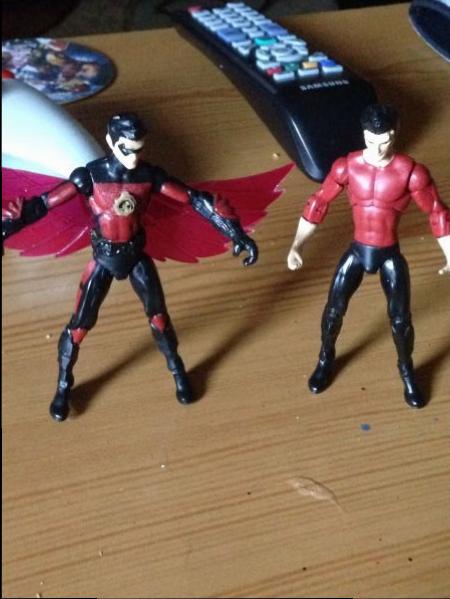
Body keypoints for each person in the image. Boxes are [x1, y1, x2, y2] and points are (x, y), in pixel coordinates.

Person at [2, 112, 258, 421]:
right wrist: (7, 227)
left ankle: (177, 370)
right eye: (126, 149)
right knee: (79, 326)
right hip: (103, 259)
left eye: (139, 149)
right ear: (110, 142)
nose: (134, 157)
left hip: (136, 256)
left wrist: (235, 232)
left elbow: (194, 199)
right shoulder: (90, 176)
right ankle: (63, 384)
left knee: (159, 319)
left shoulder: (149, 176)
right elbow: (43, 204)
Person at [287, 104, 450, 408]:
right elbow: (318, 203)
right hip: (358, 250)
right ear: (363, 135)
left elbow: (437, 212)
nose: (377, 149)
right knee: (333, 311)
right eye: (371, 141)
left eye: (384, 141)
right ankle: (325, 359)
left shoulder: (411, 173)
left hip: (389, 254)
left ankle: (407, 371)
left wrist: (449, 252)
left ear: (395, 135)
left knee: (401, 321)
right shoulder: (347, 166)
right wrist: (297, 245)